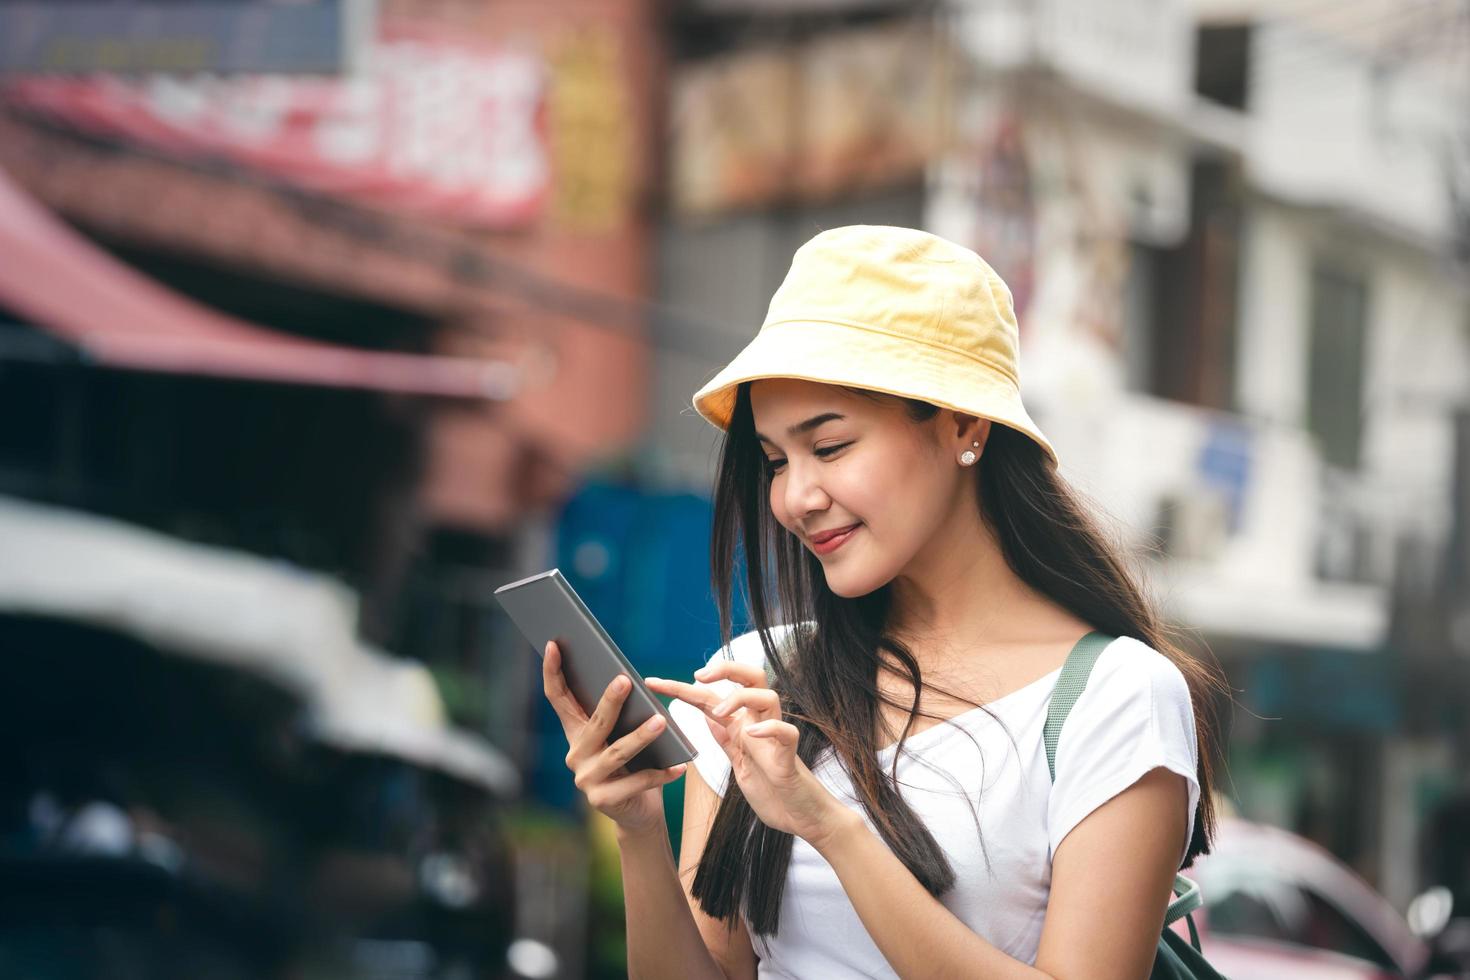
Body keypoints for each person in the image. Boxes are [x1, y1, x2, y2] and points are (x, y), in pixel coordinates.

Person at [539, 225, 1227, 978]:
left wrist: (829, 826)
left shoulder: (1114, 695)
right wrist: (637, 828)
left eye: (829, 447)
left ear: (963, 425)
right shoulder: (755, 679)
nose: (795, 498)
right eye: (774, 461)